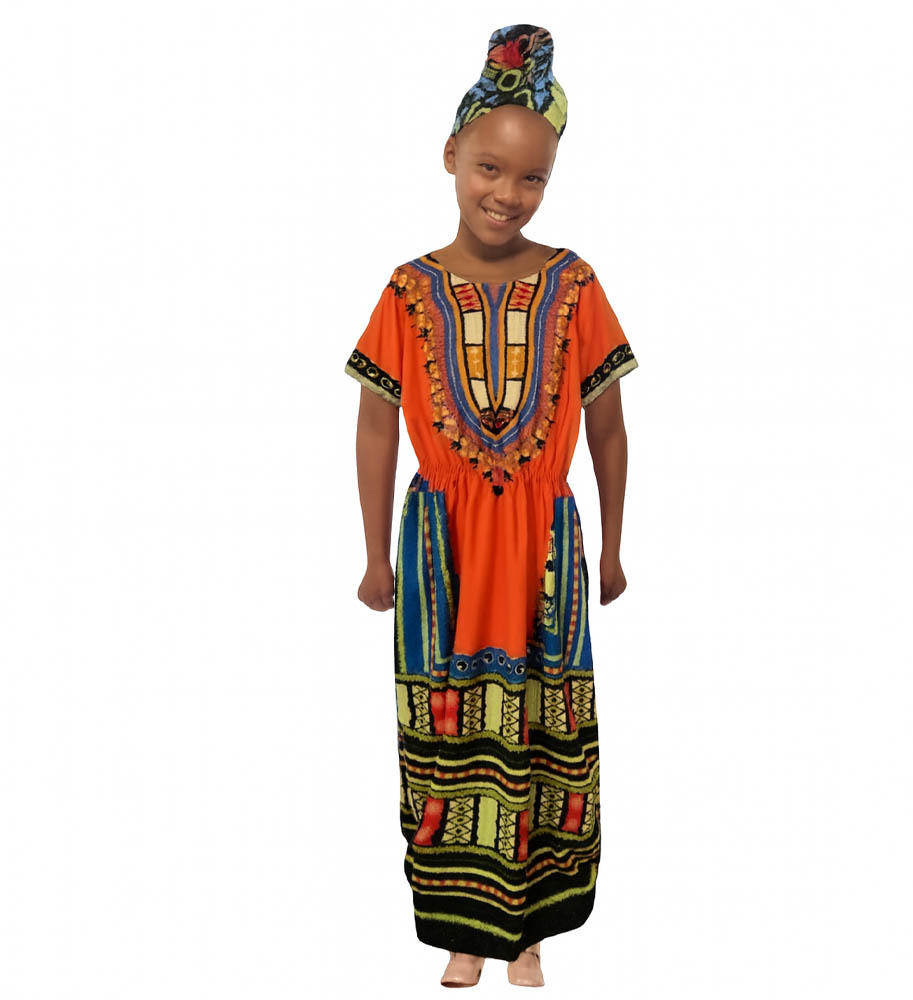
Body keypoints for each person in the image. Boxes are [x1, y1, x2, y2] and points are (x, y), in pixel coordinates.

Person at [344, 24, 638, 988]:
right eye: (488, 168)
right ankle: (463, 929)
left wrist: (615, 546)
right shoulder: (409, 289)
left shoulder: (574, 284)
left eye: (531, 178)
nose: (506, 194)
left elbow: (608, 430)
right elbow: (377, 427)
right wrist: (375, 555)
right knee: (447, 728)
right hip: (443, 550)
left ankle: (529, 930)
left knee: (545, 725)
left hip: (545, 541)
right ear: (450, 156)